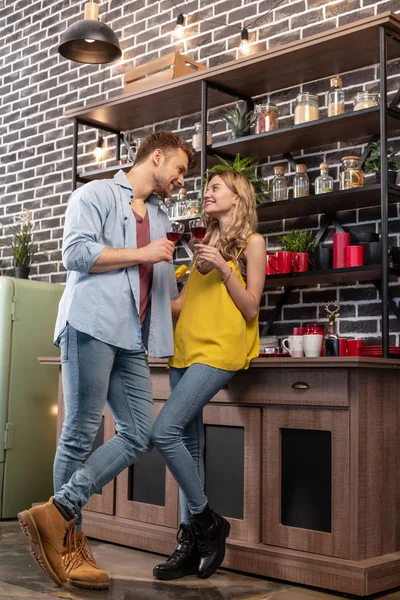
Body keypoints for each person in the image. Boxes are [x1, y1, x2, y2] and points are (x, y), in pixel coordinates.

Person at [17, 131, 196, 590]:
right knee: (79, 432)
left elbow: (161, 294)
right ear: (156, 156)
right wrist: (145, 253)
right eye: (178, 169)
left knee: (140, 432)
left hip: (132, 338)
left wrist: (203, 279)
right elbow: (75, 254)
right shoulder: (93, 193)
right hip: (91, 324)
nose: (180, 180)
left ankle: (56, 512)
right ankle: (69, 548)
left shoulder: (159, 216)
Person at [151, 169, 266, 580]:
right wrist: (140, 296)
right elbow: (182, 305)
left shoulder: (252, 243)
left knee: (163, 431)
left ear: (238, 196)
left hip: (220, 350)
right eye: (206, 189)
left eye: (215, 187)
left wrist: (222, 267)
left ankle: (207, 522)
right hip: (186, 349)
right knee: (190, 445)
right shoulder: (204, 242)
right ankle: (191, 541)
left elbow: (251, 307)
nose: (206, 193)